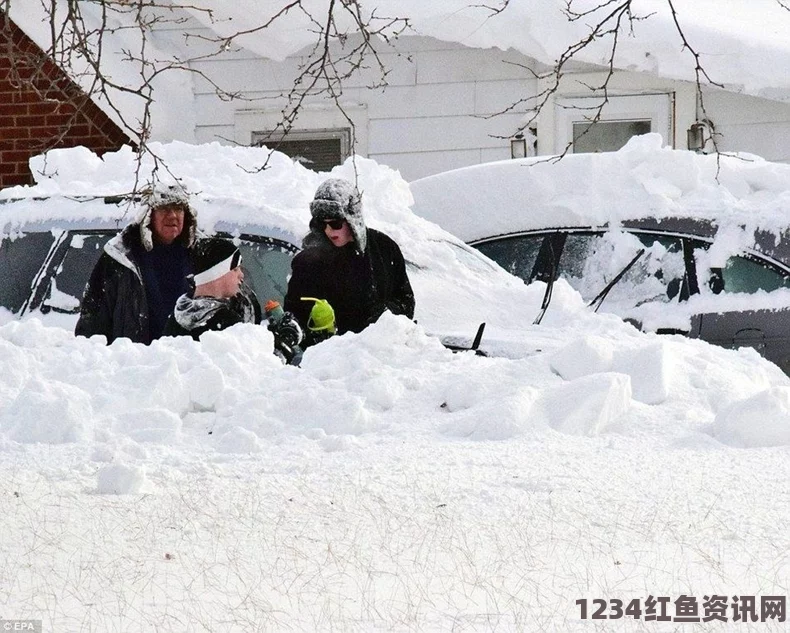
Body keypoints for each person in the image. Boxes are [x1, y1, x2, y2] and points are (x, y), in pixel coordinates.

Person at [284, 178, 415, 345]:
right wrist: (298, 329)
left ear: (352, 219)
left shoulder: (384, 249)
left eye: (335, 223)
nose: (328, 230)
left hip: (380, 356)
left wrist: (386, 315)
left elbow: (406, 301)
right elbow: (295, 311)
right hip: (328, 361)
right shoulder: (308, 261)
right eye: (322, 224)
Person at [75, 185, 198, 344]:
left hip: (189, 363)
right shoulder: (121, 257)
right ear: (148, 215)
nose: (173, 215)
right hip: (135, 362)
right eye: (164, 208)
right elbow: (93, 323)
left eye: (178, 208)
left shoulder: (201, 256)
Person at [163, 238, 262, 339]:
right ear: (217, 274)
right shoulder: (226, 323)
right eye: (235, 269)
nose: (241, 275)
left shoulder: (178, 316)